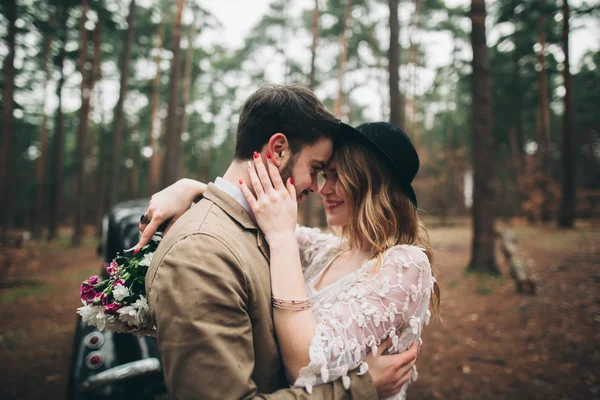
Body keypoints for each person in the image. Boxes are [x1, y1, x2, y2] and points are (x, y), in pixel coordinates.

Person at [142, 85, 419, 399]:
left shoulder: (271, 230)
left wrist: (195, 187)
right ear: (277, 150)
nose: (317, 187)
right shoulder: (199, 253)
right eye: (317, 169)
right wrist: (360, 387)